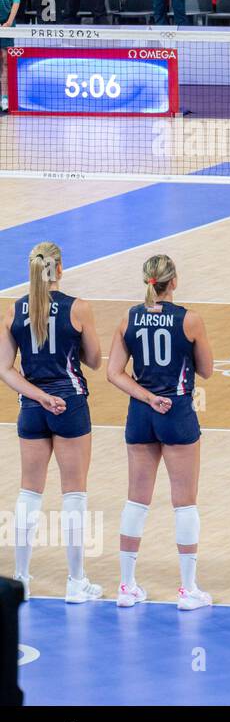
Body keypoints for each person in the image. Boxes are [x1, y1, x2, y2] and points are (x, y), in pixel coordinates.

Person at [105, 255, 214, 610]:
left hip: (141, 411)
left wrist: (148, 396)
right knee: (184, 501)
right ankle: (187, 589)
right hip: (177, 410)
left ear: (147, 281)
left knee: (136, 498)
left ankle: (126, 585)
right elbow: (208, 370)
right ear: (174, 281)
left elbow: (114, 373)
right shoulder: (190, 320)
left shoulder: (128, 318)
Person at [2, 242, 103, 603]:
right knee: (74, 493)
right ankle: (76, 582)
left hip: (31, 407)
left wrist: (38, 395)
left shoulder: (13, 310)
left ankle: (22, 579)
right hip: (70, 404)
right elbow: (94, 360)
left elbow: (4, 370)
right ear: (59, 268)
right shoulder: (78, 308)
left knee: (29, 492)